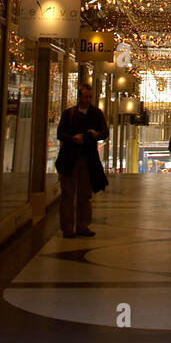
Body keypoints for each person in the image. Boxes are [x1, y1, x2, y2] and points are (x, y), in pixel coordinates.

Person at [56, 82, 110, 238]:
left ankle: (83, 225)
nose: (87, 100)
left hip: (88, 158)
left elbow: (105, 132)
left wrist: (96, 135)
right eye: (84, 96)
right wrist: (73, 138)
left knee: (85, 194)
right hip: (70, 158)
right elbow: (60, 134)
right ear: (79, 96)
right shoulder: (69, 114)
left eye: (89, 97)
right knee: (68, 194)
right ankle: (67, 227)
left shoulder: (96, 113)